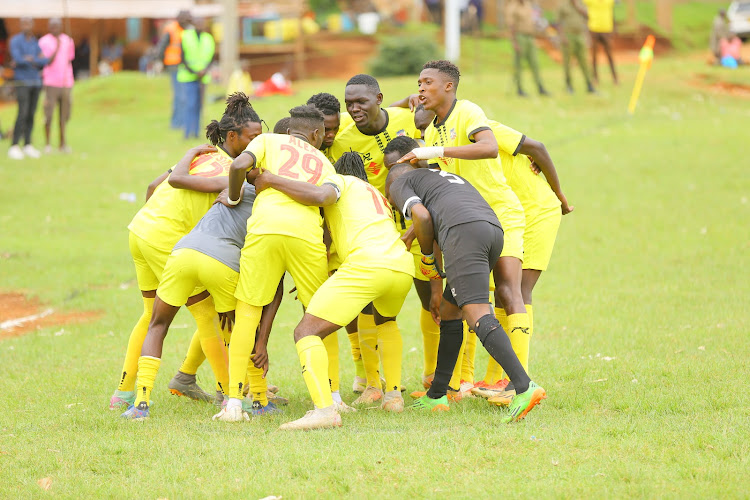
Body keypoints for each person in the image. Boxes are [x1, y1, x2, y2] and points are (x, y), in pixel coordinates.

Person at [109, 94, 263, 411]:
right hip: (168, 239)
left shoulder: (201, 156)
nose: (257, 146)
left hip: (140, 229)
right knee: (208, 315)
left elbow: (154, 186)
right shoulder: (230, 171)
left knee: (151, 315)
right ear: (232, 137)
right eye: (253, 139)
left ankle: (123, 393)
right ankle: (230, 396)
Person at [397, 60, 534, 402]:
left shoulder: (467, 111)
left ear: (448, 86)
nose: (421, 88)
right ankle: (455, 386)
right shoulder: (429, 131)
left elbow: (488, 147)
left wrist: (437, 151)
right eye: (418, 83)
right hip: (463, 223)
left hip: (499, 212)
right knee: (457, 302)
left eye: (427, 82)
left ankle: (515, 384)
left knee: (506, 291)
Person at [249, 151, 415, 429]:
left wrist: (272, 180)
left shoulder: (339, 181)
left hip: (368, 264)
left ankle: (324, 411)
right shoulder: (376, 196)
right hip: (400, 265)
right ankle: (393, 396)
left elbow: (321, 197)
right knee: (386, 322)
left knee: (306, 331)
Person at [385, 164, 546, 422]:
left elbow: (423, 218)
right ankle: (437, 394)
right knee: (451, 311)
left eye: (392, 203)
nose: (394, 205)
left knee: (477, 313)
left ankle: (524, 386)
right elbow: (434, 222)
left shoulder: (399, 182)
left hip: (464, 232)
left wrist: (426, 258)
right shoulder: (440, 179)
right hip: (492, 230)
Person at [121, 177, 284, 420]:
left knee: (158, 324)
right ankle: (258, 400)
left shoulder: (232, 185)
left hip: (182, 251)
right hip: (221, 259)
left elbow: (158, 184)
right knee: (241, 326)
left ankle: (140, 404)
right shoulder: (275, 203)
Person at [212, 105, 337, 422]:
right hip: (306, 237)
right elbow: (326, 202)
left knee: (248, 313)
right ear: (315, 134)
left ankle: (234, 404)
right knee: (320, 316)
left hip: (265, 228)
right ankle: (331, 397)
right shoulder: (323, 161)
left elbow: (239, 164)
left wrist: (236, 193)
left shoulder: (268, 140)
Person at [327, 74, 421, 405]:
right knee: (364, 308)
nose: (353, 109)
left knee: (432, 301)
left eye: (361, 102)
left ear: (379, 98)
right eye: (348, 103)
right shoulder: (339, 133)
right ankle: (371, 382)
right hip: (366, 228)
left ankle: (443, 379)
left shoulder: (407, 119)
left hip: (414, 225)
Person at [8, 17, 56, 160]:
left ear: (32, 25)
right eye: (24, 23)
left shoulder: (35, 42)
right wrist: (33, 59)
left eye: (28, 23)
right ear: (20, 25)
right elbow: (17, 59)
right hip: (22, 82)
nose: (26, 25)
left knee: (32, 113)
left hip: (35, 82)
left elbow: (44, 61)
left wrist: (30, 59)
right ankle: (14, 145)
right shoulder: (15, 41)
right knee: (22, 112)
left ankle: (28, 144)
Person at [39, 18, 75, 154]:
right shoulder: (44, 41)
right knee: (48, 114)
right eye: (52, 26)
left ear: (61, 26)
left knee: (64, 114)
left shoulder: (68, 40)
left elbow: (70, 59)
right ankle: (48, 144)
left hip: (66, 82)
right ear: (49, 27)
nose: (55, 28)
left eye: (57, 26)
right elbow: (45, 61)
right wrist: (58, 47)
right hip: (50, 83)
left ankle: (62, 143)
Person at [178, 17, 215, 139]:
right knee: (190, 104)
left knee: (199, 105)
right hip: (189, 76)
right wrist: (194, 71)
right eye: (198, 23)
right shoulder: (186, 36)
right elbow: (182, 56)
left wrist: (204, 70)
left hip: (203, 78)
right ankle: (187, 132)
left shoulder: (208, 38)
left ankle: (196, 132)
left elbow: (211, 57)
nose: (200, 25)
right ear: (194, 24)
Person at [156, 10, 192, 129]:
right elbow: (162, 46)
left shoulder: (187, 29)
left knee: (183, 95)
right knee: (179, 95)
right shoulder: (171, 29)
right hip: (174, 65)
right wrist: (159, 62)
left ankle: (181, 122)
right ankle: (177, 123)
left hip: (184, 66)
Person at [506, 0, 548, 96]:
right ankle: (519, 88)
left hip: (530, 37)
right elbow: (511, 25)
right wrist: (514, 42)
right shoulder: (513, 6)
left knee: (535, 63)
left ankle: (540, 87)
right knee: (519, 65)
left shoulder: (527, 4)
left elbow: (533, 19)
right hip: (520, 37)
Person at [557, 0, 595, 94]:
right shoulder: (562, 5)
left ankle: (589, 85)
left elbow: (588, 16)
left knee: (584, 62)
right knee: (568, 63)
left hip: (580, 35)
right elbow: (558, 23)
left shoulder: (581, 4)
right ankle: (569, 85)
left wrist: (578, 7)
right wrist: (562, 37)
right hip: (568, 36)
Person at [583, 0, 618, 85]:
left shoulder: (609, 1)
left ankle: (615, 78)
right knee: (594, 56)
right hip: (594, 29)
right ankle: (595, 78)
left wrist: (614, 26)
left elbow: (612, 13)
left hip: (606, 30)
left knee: (609, 55)